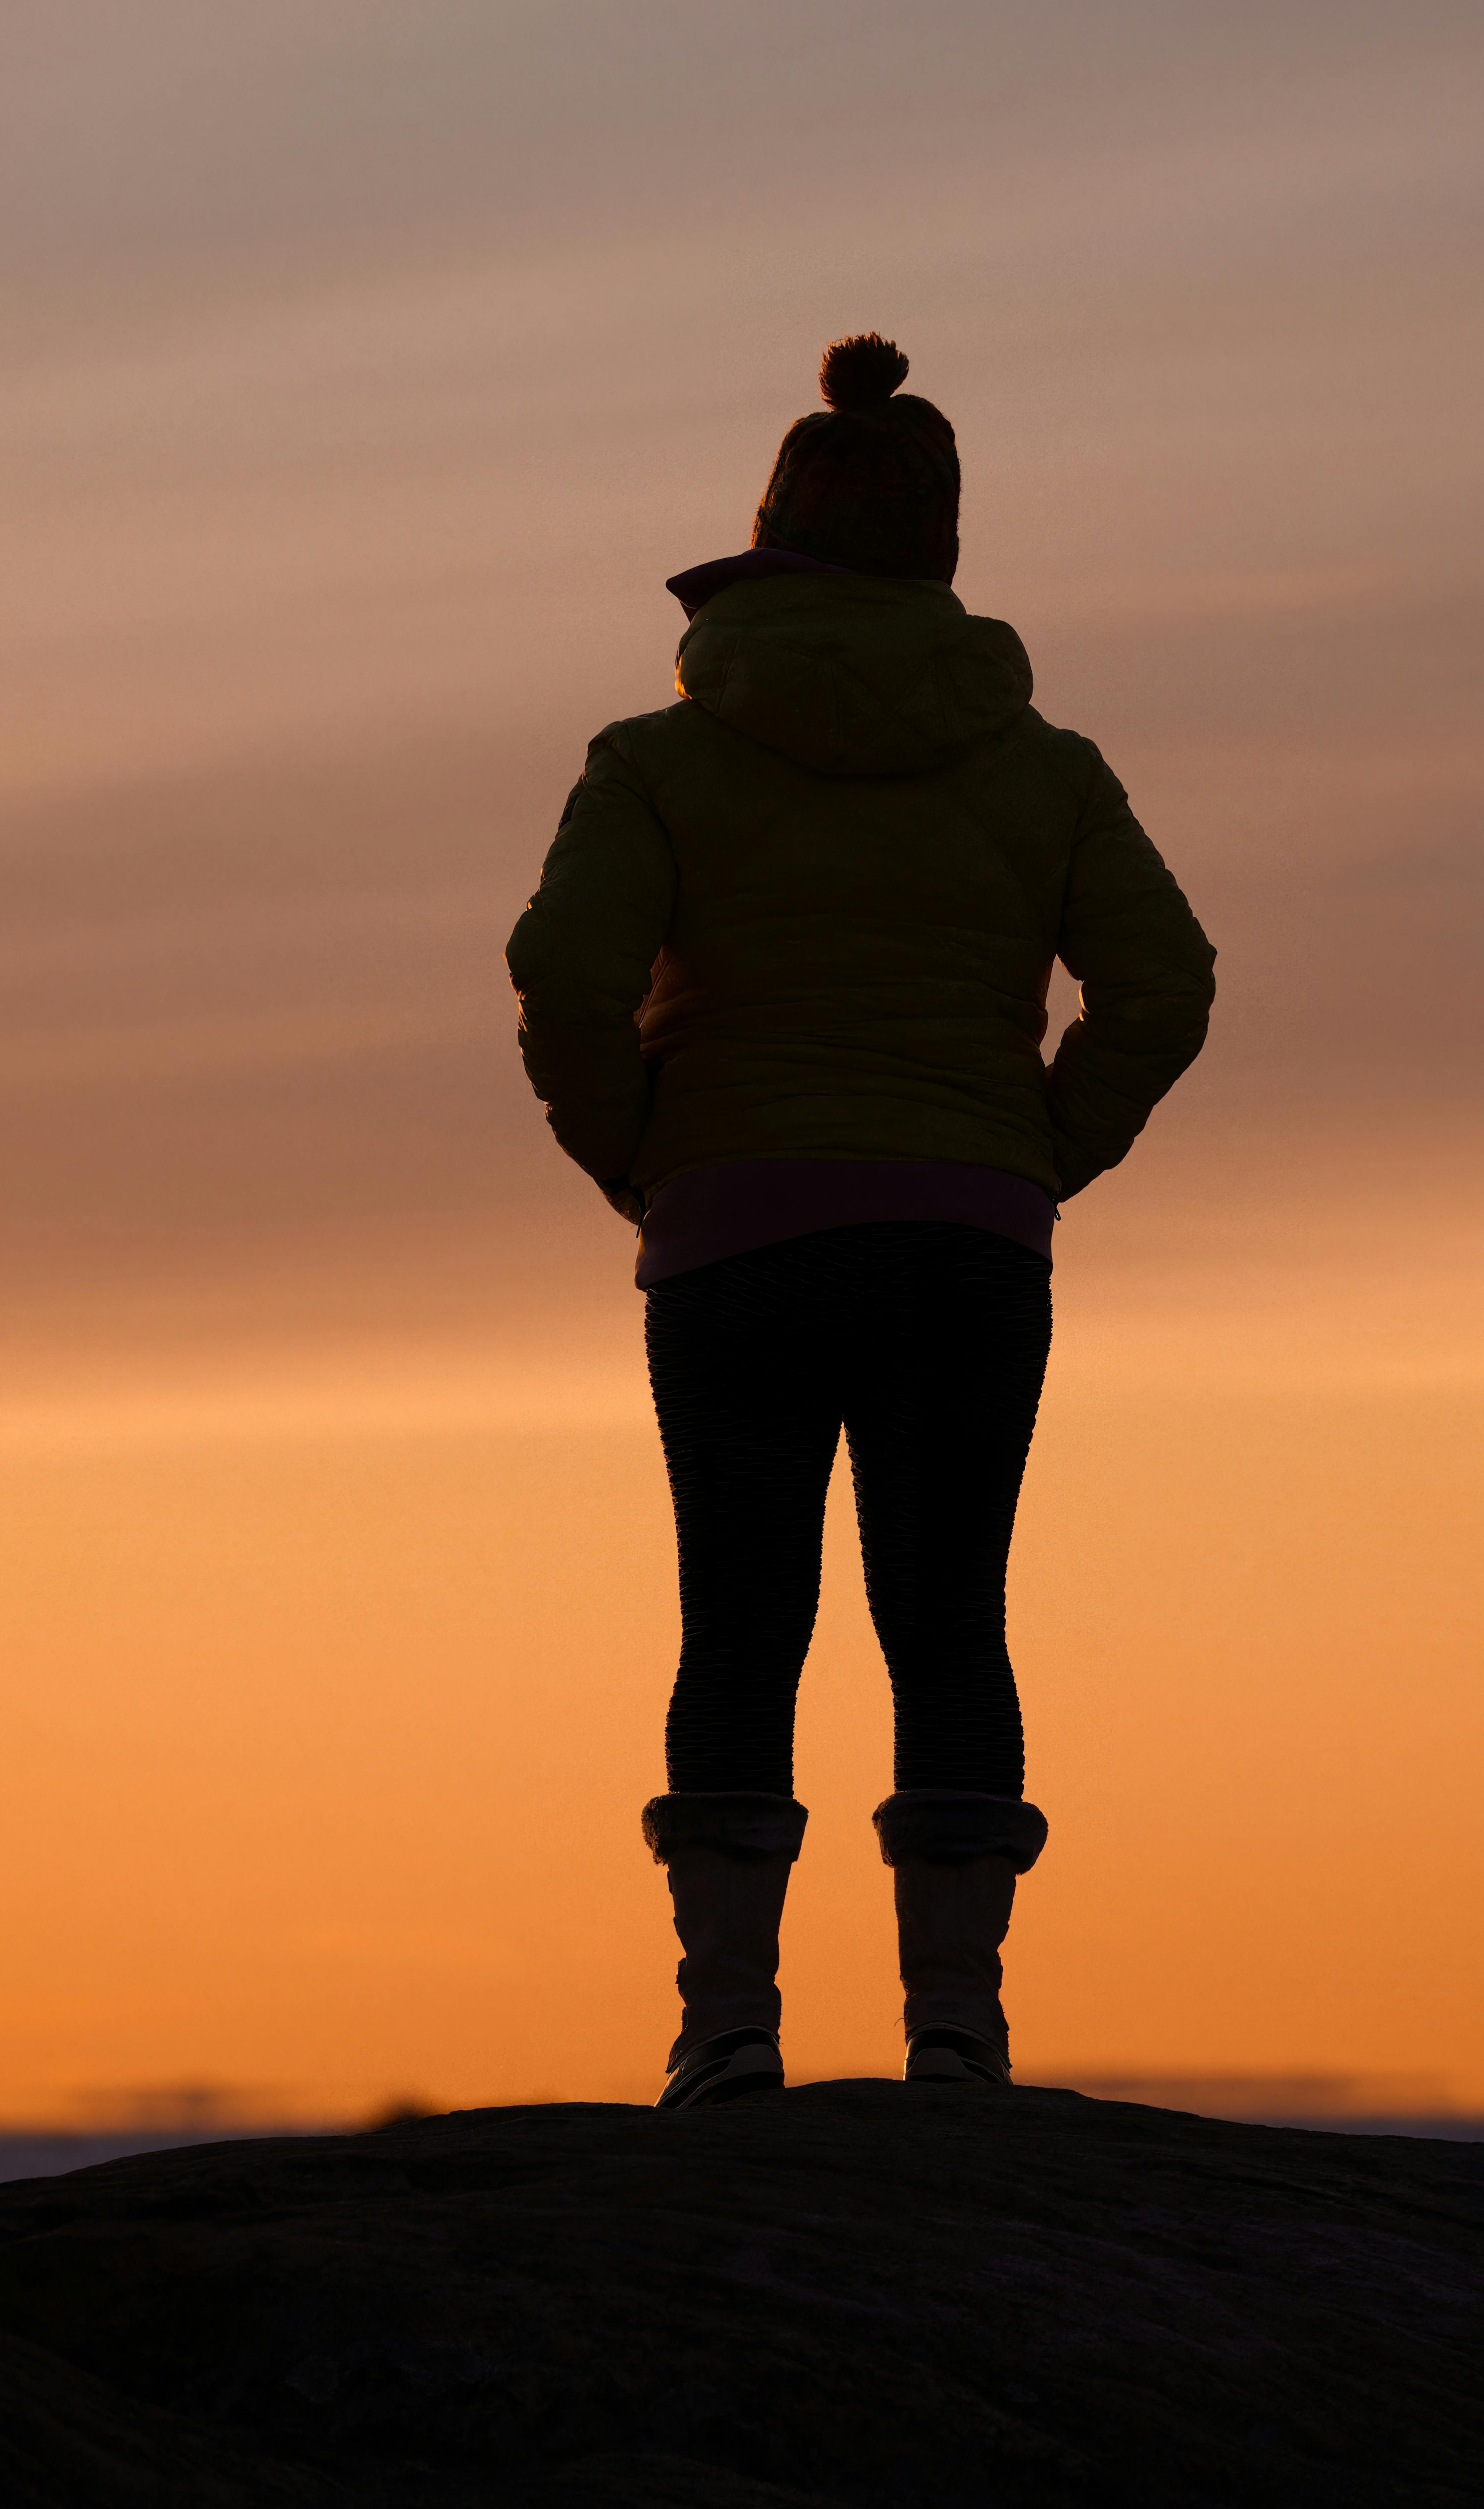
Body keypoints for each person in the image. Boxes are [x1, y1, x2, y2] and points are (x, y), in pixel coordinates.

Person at [507, 335, 1216, 2109]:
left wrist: (640, 1158)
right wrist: (1040, 1151)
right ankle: (958, 2037)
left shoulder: (658, 757)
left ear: (772, 550)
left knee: (740, 1618)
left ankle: (725, 2033)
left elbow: (561, 977)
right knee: (949, 1615)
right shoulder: (1044, 767)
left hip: (736, 1230)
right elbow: (1165, 985)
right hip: (967, 1238)